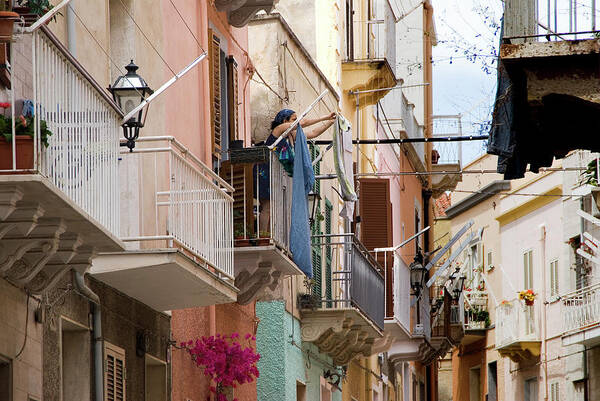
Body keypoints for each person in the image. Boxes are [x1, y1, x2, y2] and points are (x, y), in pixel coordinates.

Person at [256, 109, 335, 233]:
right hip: (267, 174)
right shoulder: (278, 131)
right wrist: (325, 117)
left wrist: (330, 122)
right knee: (267, 207)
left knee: (273, 209)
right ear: (284, 120)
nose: (296, 122)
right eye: (293, 119)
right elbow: (302, 122)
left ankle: (268, 234)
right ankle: (262, 235)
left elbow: (313, 133)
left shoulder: (291, 137)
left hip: (277, 177)